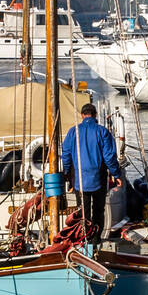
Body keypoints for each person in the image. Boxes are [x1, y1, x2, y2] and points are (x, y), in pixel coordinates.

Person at [60, 102, 122, 241]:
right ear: (95, 115)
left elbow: (66, 155)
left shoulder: (72, 132)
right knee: (99, 210)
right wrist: (116, 174)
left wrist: (67, 174)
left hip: (79, 179)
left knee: (83, 211)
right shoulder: (102, 132)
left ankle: (83, 238)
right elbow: (109, 157)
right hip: (98, 177)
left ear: (82, 115)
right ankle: (95, 238)